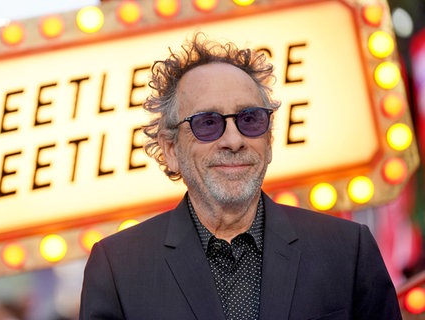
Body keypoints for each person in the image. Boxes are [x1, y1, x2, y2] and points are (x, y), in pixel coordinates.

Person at [79, 33, 402, 320]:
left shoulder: (347, 250)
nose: (233, 140)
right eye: (208, 123)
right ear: (170, 149)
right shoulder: (118, 267)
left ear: (270, 139)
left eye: (249, 119)